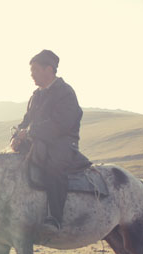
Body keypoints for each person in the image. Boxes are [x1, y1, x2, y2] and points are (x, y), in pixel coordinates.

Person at [10, 49, 91, 228]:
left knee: (54, 168)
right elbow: (26, 121)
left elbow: (61, 123)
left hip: (62, 143)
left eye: (35, 70)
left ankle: (55, 217)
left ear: (49, 69)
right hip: (37, 142)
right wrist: (17, 136)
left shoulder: (65, 92)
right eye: (31, 71)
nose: (31, 74)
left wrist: (30, 133)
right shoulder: (36, 95)